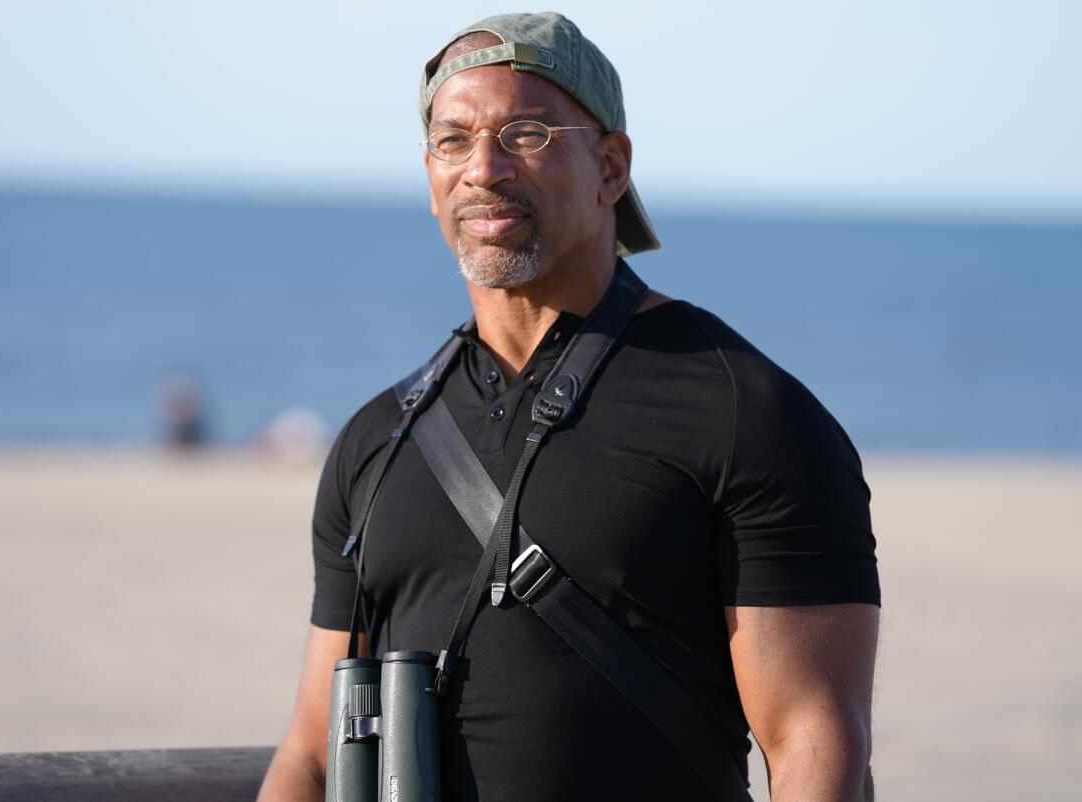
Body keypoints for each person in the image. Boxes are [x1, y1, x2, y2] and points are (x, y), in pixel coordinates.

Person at [258, 12, 879, 802]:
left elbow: (815, 744)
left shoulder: (744, 412)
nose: (482, 167)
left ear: (611, 169)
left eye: (526, 133)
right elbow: (311, 757)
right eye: (452, 140)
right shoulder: (378, 440)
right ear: (429, 177)